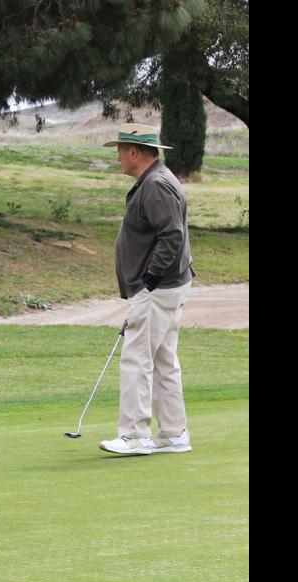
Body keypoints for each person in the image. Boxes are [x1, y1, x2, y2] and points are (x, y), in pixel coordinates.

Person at [99, 124, 194, 456]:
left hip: (158, 287)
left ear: (134, 152)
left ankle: (135, 435)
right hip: (165, 286)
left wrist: (150, 279)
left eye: (121, 150)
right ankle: (172, 433)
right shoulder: (155, 181)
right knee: (163, 358)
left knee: (137, 359)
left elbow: (172, 236)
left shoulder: (156, 185)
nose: (118, 157)